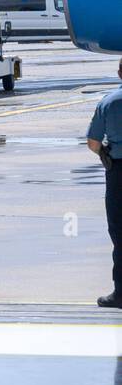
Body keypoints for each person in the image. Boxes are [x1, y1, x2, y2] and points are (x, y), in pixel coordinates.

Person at [87, 60, 122, 309]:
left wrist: (104, 154)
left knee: (120, 232)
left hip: (118, 171)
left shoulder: (108, 102)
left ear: (120, 72)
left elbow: (92, 142)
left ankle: (121, 292)